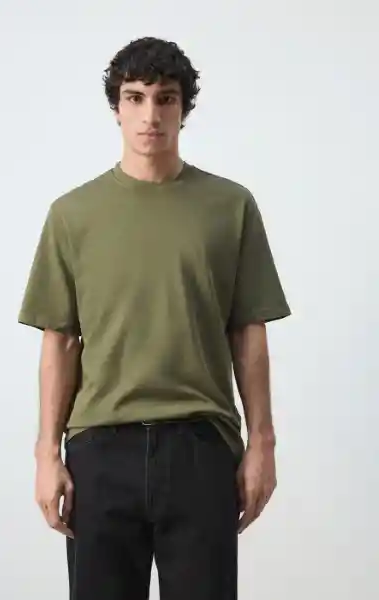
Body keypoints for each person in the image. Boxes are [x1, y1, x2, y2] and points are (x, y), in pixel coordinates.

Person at [18, 36, 291, 600]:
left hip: (201, 445)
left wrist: (262, 442)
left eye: (166, 98)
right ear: (116, 107)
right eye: (135, 97)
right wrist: (46, 454)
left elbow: (248, 332)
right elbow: (60, 341)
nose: (150, 115)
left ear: (183, 109)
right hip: (99, 448)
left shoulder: (230, 206)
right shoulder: (72, 215)